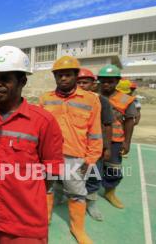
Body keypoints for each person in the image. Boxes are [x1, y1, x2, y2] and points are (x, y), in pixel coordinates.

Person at [0, 46, 64, 244]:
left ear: (23, 81)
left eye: (5, 78)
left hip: (24, 223)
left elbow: (51, 171)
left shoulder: (43, 121)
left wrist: (25, 193)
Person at [40, 56, 102, 244]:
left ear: (76, 75)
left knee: (76, 192)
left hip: (75, 156)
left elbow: (95, 132)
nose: (63, 79)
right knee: (46, 189)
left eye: (67, 75)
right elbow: (39, 128)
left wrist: (91, 159)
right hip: (48, 155)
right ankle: (45, 220)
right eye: (59, 75)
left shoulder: (91, 100)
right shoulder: (46, 98)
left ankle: (78, 228)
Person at [97, 65, 137, 209]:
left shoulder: (126, 99)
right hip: (93, 138)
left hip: (115, 140)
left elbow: (130, 121)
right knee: (91, 167)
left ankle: (110, 192)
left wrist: (127, 142)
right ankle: (89, 191)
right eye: (103, 81)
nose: (106, 84)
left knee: (113, 168)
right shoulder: (93, 96)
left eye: (111, 81)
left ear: (117, 81)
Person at [76, 68, 113, 221]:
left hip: (94, 148)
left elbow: (107, 125)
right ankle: (63, 197)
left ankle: (91, 203)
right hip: (74, 146)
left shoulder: (101, 101)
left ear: (93, 84)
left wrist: (107, 147)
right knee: (65, 174)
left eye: (85, 82)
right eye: (79, 82)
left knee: (93, 176)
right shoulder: (70, 99)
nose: (81, 85)